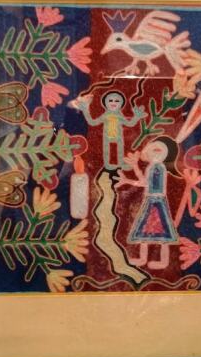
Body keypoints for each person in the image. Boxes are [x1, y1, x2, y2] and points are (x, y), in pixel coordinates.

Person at [116, 137, 180, 269]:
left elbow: (144, 183)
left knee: (161, 229)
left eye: (158, 149)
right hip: (151, 199)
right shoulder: (153, 167)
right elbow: (144, 182)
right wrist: (131, 173)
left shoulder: (158, 168)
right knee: (145, 229)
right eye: (153, 149)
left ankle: (163, 261)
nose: (155, 152)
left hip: (157, 200)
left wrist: (130, 176)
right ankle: (143, 258)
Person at [73, 91, 145, 170]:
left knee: (119, 149)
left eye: (117, 101)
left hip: (118, 137)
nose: (113, 102)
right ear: (106, 103)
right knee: (107, 150)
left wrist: (136, 117)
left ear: (121, 104)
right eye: (110, 100)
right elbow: (92, 122)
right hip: (107, 137)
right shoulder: (106, 115)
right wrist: (86, 110)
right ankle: (108, 164)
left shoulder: (119, 115)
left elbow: (130, 124)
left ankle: (120, 163)